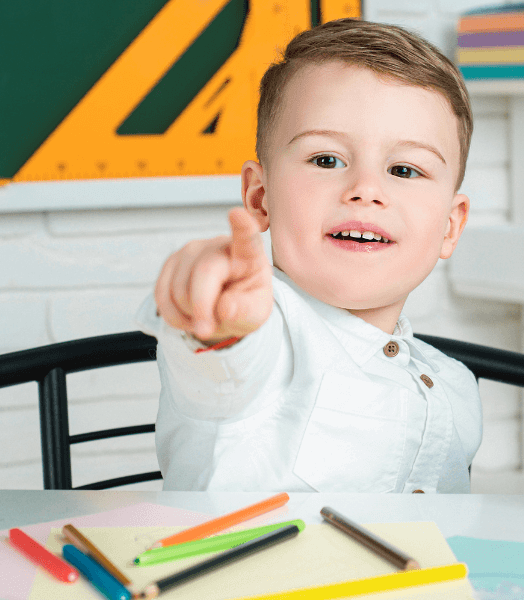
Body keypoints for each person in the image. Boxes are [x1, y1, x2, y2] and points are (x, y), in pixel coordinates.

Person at [135, 18, 479, 493]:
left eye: (404, 169)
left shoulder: (455, 385)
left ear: (450, 224)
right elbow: (227, 359)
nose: (365, 190)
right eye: (326, 160)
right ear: (260, 197)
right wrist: (217, 321)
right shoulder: (265, 336)